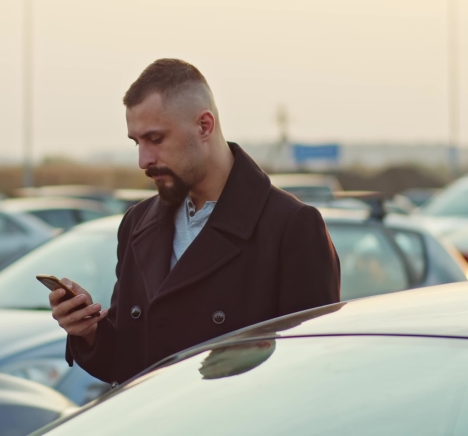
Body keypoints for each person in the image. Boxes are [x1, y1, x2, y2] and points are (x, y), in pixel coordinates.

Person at [48, 58, 341, 385]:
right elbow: (128, 364)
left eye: (155, 139)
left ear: (204, 126)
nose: (143, 160)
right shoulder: (136, 223)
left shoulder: (292, 227)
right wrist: (88, 331)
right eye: (136, 142)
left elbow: (310, 373)